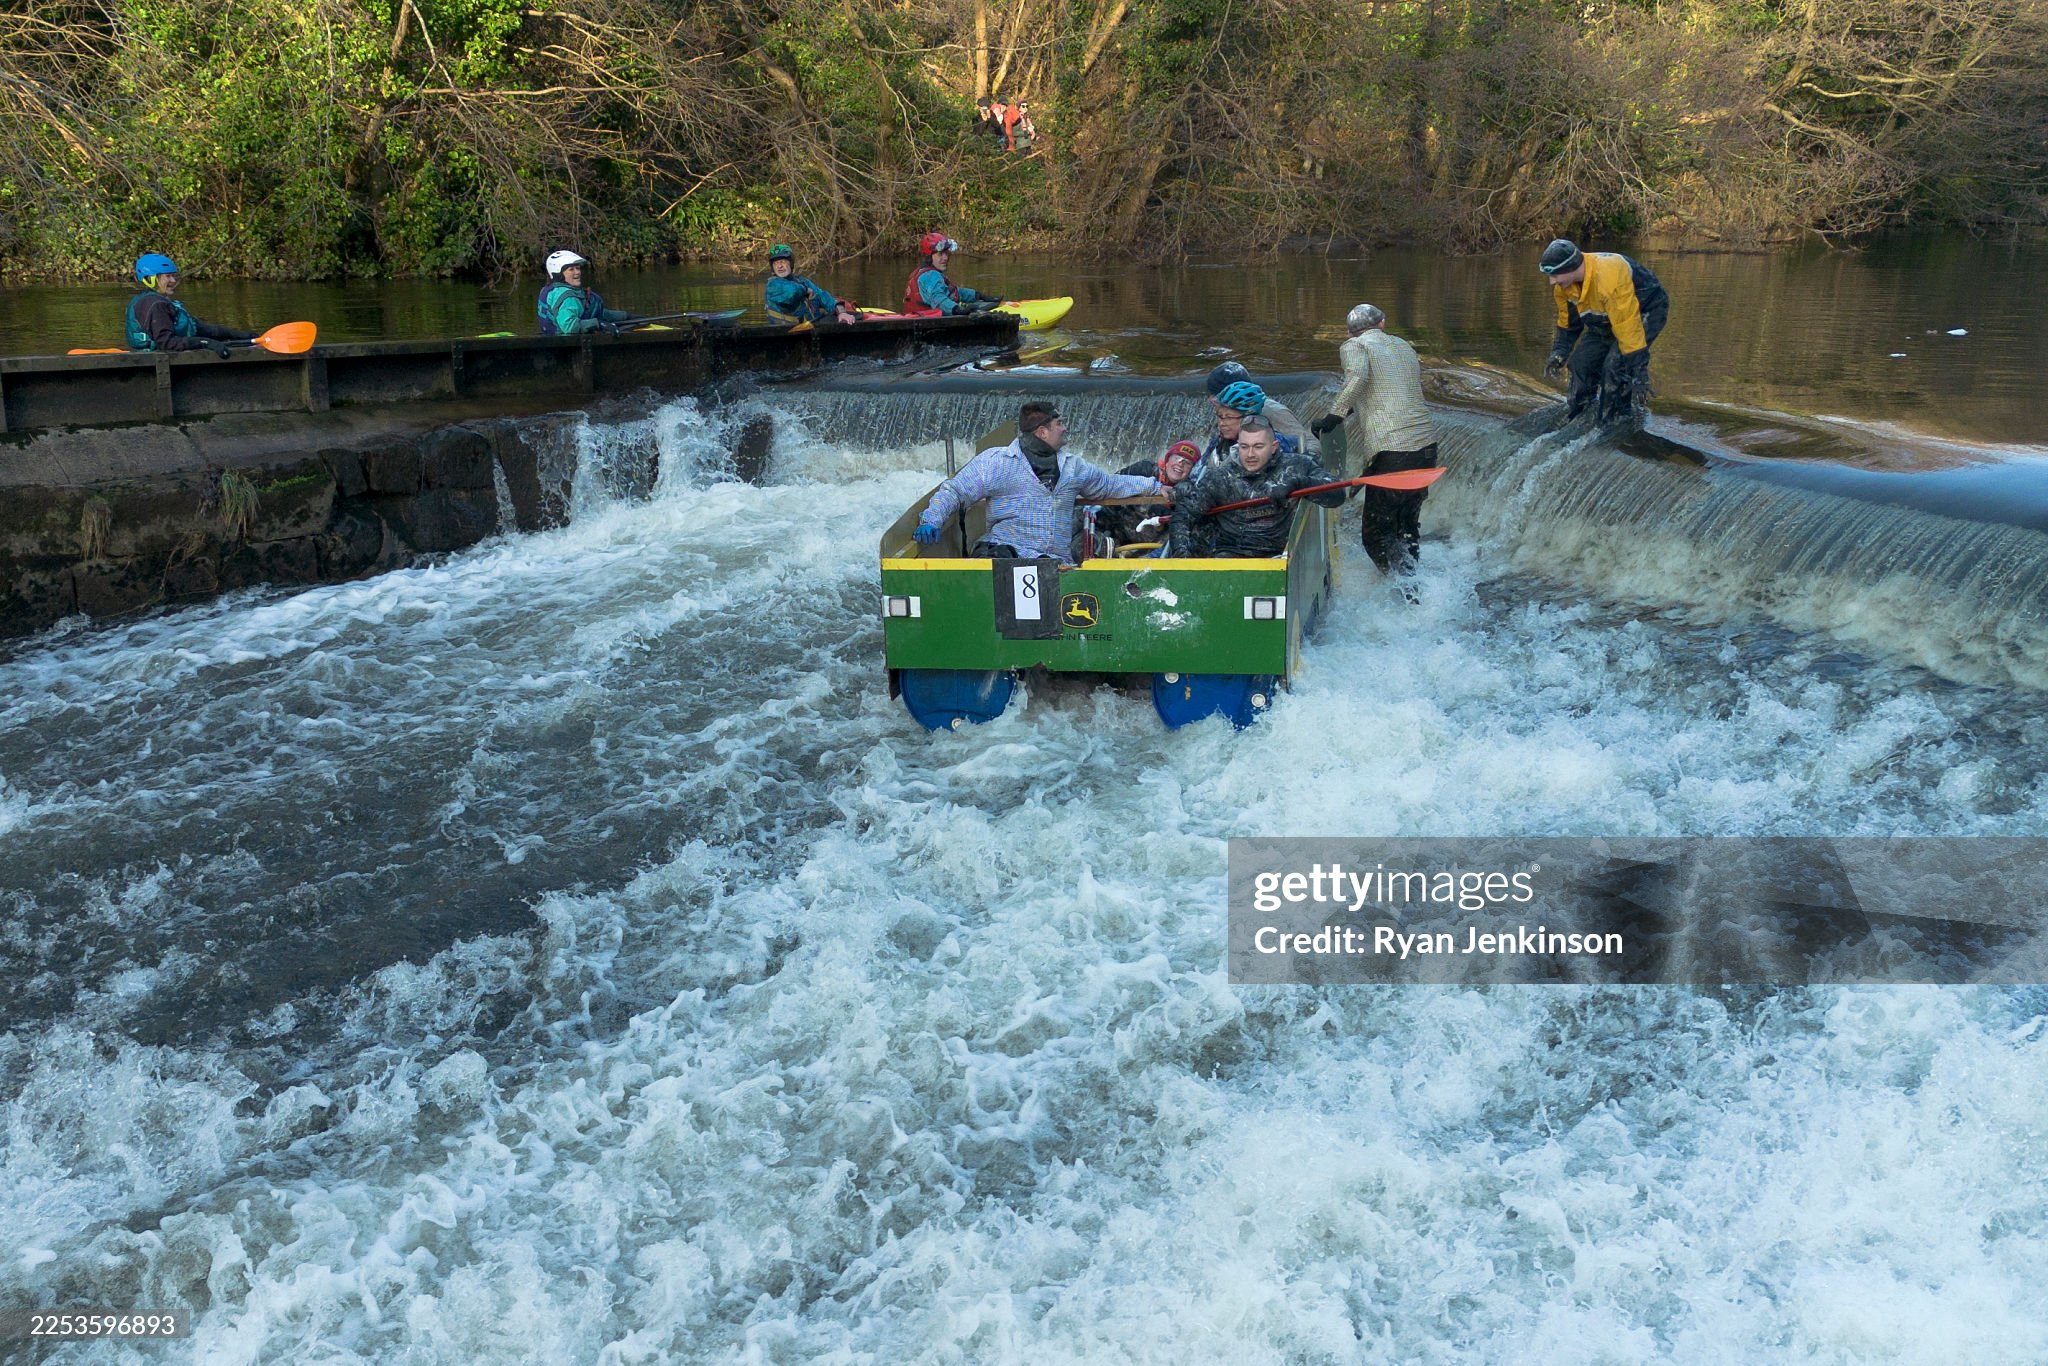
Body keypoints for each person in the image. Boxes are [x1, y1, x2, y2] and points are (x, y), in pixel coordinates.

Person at [913, 402, 1166, 562]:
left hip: (1054, 562)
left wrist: (1155, 487)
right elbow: (955, 491)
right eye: (1059, 424)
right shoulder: (998, 462)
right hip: (1004, 553)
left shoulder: (1073, 467)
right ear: (1042, 432)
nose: (1065, 429)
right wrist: (931, 519)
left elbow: (1111, 484)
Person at [1310, 303, 1438, 583]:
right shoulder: (1403, 346)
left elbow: (1358, 378)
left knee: (1375, 535)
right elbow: (1386, 391)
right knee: (1406, 526)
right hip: (1426, 448)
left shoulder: (1354, 346)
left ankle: (1402, 591)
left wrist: (1333, 417)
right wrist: (1349, 412)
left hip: (1393, 450)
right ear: (1382, 323)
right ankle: (1414, 586)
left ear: (1350, 332)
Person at [1168, 416, 1345, 559]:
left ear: (1274, 447)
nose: (1250, 454)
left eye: (1258, 447)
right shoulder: (1220, 477)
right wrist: (1182, 560)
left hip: (1283, 556)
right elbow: (1183, 514)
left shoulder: (1297, 466)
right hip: (1231, 556)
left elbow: (1338, 495)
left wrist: (1300, 483)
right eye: (1244, 447)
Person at [1538, 238, 1669, 426]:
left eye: (1555, 275)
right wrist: (1559, 352)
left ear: (1570, 268)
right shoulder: (1563, 287)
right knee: (1579, 364)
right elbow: (1569, 323)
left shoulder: (1609, 278)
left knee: (1614, 367)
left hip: (1645, 311)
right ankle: (1580, 411)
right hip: (1604, 317)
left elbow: (1627, 328)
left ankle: (1615, 419)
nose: (1552, 282)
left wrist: (1639, 372)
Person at [124, 253, 255, 356]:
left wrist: (240, 335)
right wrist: (205, 343)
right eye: (168, 276)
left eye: (173, 276)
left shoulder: (157, 301)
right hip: (154, 359)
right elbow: (167, 343)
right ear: (150, 279)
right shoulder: (155, 305)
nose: (173, 281)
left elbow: (200, 328)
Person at [1094, 439, 1199, 549]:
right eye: (1177, 458)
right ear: (1167, 460)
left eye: (1187, 462)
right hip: (1115, 531)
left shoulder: (1192, 491)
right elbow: (1110, 485)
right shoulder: (1144, 469)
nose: (1180, 463)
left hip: (1151, 548)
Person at [1201, 376, 1318, 469]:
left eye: (1229, 417)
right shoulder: (1218, 443)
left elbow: (1310, 461)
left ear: (1248, 418)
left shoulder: (1279, 443)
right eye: (1220, 417)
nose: (1221, 423)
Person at [537, 249, 636, 336]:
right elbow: (571, 327)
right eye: (571, 269)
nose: (577, 272)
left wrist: (626, 316)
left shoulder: (552, 290)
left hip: (553, 339)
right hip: (567, 346)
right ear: (558, 274)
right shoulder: (568, 298)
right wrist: (599, 324)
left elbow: (594, 313)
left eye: (578, 268)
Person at [905, 233, 1002, 316]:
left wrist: (978, 295)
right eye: (940, 254)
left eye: (946, 253)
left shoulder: (922, 272)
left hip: (919, 317)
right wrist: (957, 310)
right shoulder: (931, 276)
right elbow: (938, 299)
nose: (945, 258)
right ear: (930, 257)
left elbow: (952, 293)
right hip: (928, 323)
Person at [763, 244, 859, 325]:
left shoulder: (802, 281)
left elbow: (823, 296)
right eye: (775, 263)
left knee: (845, 313)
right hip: (785, 332)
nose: (779, 266)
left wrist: (841, 312)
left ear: (791, 263)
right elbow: (792, 292)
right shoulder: (773, 284)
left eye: (782, 262)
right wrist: (806, 290)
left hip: (811, 326)